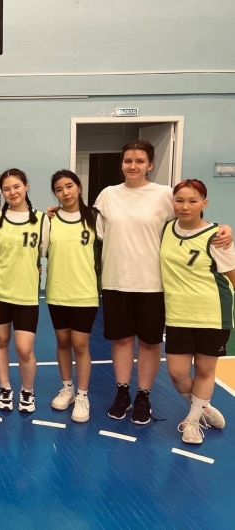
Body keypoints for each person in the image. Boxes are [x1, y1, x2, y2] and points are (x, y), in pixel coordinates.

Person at [93, 140, 231, 424]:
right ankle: (122, 393)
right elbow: (98, 231)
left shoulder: (165, 195)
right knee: (121, 341)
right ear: (121, 163)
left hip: (153, 284)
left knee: (149, 343)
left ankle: (143, 396)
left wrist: (223, 228)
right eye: (128, 160)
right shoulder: (108, 195)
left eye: (140, 161)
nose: (133, 166)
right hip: (116, 279)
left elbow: (188, 220)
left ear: (150, 165)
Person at [161, 179, 234, 444]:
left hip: (212, 313)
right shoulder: (166, 229)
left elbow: (232, 276)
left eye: (193, 201)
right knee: (177, 372)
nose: (185, 206)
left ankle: (192, 422)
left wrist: (226, 228)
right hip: (177, 313)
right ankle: (203, 408)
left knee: (204, 369)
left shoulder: (217, 237)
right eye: (179, 200)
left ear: (204, 203)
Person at [0, 169, 49, 413]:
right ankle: (4, 387)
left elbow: (42, 253)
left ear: (26, 186)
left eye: (16, 186)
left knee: (24, 348)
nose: (12, 192)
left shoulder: (42, 220)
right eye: (7, 189)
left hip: (26, 295)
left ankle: (27, 390)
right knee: (0, 341)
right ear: (2, 192)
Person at [45, 170, 99, 423]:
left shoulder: (95, 218)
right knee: (63, 341)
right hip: (57, 291)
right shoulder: (49, 220)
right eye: (59, 189)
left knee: (80, 344)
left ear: (79, 187)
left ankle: (82, 395)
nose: (65, 192)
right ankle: (67, 388)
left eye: (69, 186)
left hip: (85, 292)